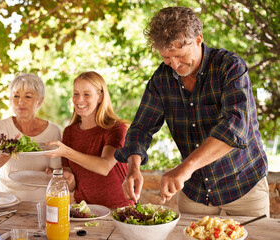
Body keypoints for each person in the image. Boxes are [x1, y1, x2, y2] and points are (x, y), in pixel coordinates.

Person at [114, 7, 269, 217]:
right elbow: (141, 128)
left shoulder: (230, 67)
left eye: (179, 55)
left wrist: (186, 167)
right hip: (196, 192)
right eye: (167, 59)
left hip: (243, 186)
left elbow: (234, 128)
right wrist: (134, 166)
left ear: (198, 40)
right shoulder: (161, 80)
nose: (175, 65)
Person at [45, 71, 134, 208]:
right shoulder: (69, 132)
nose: (79, 100)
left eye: (87, 94)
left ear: (100, 97)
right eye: (76, 93)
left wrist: (66, 152)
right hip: (85, 210)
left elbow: (104, 166)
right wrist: (62, 177)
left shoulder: (116, 128)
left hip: (119, 210)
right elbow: (73, 183)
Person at [0, 73, 62, 202]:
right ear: (10, 99)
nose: (20, 101)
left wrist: (51, 171)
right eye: (16, 96)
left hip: (40, 201)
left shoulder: (53, 131)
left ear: (40, 100)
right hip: (5, 200)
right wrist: (10, 148)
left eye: (28, 96)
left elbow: (56, 169)